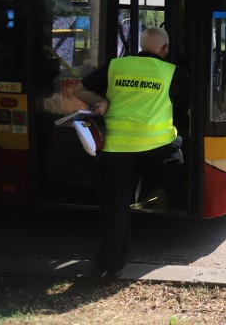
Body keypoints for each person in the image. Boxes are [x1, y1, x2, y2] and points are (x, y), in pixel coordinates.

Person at [73, 27, 189, 278]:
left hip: (116, 145)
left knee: (115, 204)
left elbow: (78, 90)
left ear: (141, 45)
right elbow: (188, 104)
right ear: (165, 49)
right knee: (176, 156)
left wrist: (100, 101)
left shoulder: (116, 66)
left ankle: (110, 264)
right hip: (156, 144)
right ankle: (177, 203)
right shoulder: (173, 72)